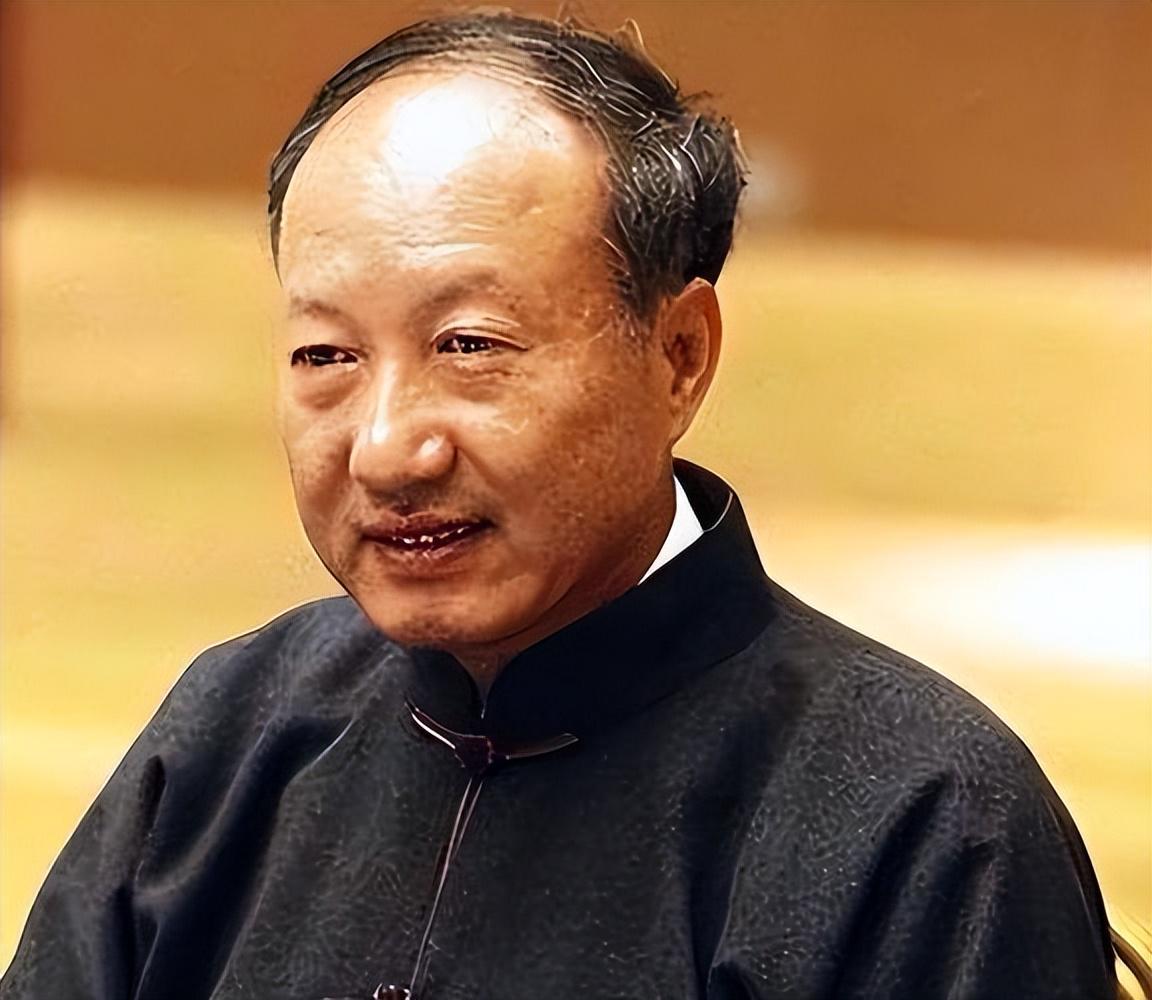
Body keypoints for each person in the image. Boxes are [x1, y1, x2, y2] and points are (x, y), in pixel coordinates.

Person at [0, 11, 1120, 1000]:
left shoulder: (922, 820)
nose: (387, 450)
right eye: (326, 354)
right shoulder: (230, 738)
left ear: (678, 356)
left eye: (469, 345)